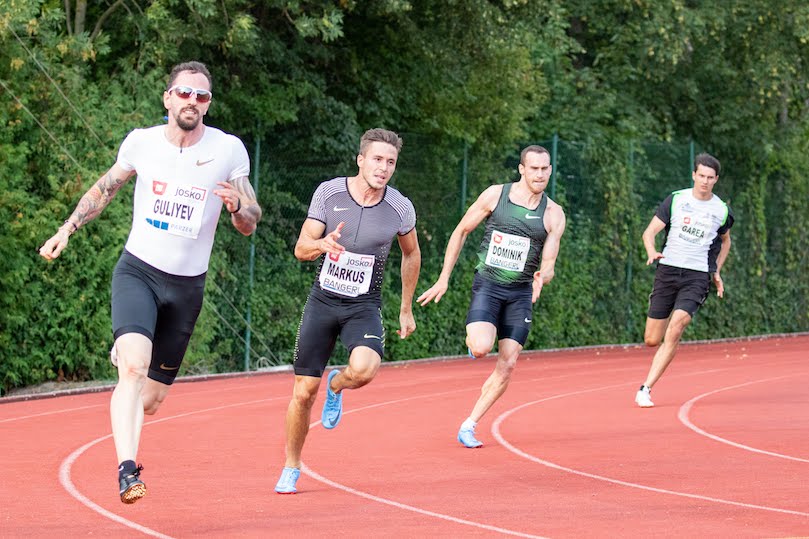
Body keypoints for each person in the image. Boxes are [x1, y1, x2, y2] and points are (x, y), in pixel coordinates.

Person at [39, 61, 262, 503]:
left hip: (186, 287)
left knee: (151, 398)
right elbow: (104, 189)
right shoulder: (141, 143)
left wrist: (238, 205)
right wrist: (66, 229)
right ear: (168, 98)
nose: (192, 102)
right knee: (134, 368)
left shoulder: (229, 150)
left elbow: (250, 222)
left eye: (201, 97)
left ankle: (125, 385)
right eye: (184, 93)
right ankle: (127, 470)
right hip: (138, 270)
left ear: (208, 105)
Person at [274, 128, 421, 494]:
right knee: (304, 392)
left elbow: (412, 253)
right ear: (360, 159)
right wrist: (322, 244)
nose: (383, 167)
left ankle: (337, 385)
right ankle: (292, 466)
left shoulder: (400, 208)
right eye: (377, 159)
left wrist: (405, 308)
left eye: (390, 162)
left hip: (363, 305)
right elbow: (301, 248)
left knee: (365, 369)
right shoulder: (329, 193)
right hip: (323, 302)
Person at [417, 145, 566, 448]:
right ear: (521, 169)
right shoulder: (495, 196)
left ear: (550, 170)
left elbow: (549, 261)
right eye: (534, 168)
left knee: (508, 364)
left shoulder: (553, 213)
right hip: (488, 285)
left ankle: (469, 424)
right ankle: (475, 343)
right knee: (483, 347)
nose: (540, 174)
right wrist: (443, 278)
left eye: (545, 168)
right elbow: (461, 231)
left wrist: (543, 276)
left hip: (521, 293)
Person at [635, 153, 733, 408]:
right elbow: (649, 232)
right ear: (694, 175)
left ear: (716, 180)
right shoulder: (676, 200)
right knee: (651, 339)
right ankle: (661, 333)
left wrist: (716, 271)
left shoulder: (721, 210)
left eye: (710, 178)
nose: (705, 181)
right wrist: (651, 251)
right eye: (701, 176)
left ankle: (645, 388)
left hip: (697, 275)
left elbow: (725, 241)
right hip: (667, 270)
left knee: (677, 326)